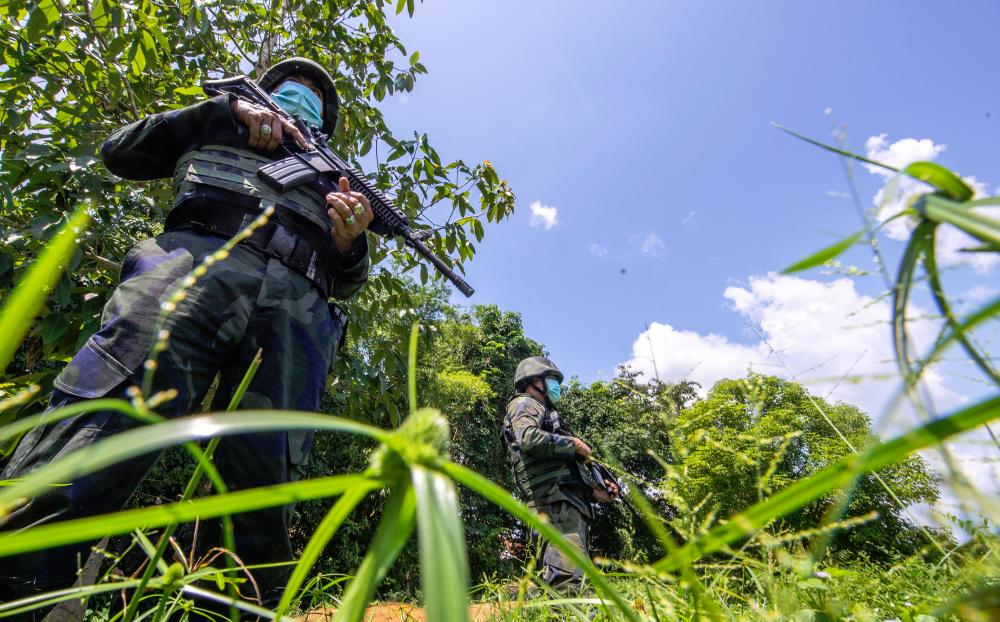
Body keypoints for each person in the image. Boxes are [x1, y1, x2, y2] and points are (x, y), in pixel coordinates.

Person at [0, 57, 372, 617]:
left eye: (316, 98)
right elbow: (120, 151)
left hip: (297, 310)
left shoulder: (331, 178)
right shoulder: (218, 120)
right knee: (103, 423)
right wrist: (218, 113)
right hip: (190, 267)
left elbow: (347, 282)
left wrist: (352, 243)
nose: (304, 100)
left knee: (264, 483)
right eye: (294, 90)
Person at [501, 356, 618, 594]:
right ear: (535, 381)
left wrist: (594, 492)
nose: (556, 385)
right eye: (552, 379)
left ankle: (518, 599)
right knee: (569, 585)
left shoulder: (546, 412)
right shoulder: (525, 403)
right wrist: (573, 444)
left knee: (564, 580)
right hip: (554, 505)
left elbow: (561, 473)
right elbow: (528, 438)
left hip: (564, 503)